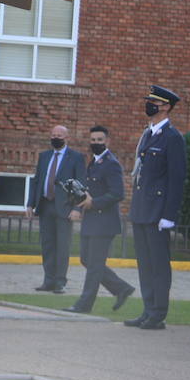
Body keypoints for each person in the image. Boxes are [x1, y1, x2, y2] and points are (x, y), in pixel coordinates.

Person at [125, 85, 186, 330]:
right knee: (145, 264)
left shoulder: (172, 137)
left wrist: (169, 215)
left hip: (158, 212)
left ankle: (158, 313)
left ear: (166, 107)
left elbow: (176, 178)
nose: (149, 104)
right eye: (149, 100)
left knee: (158, 266)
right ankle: (148, 309)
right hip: (142, 209)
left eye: (154, 101)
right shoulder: (148, 134)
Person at [67, 125, 134, 314]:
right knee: (86, 260)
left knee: (94, 265)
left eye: (100, 140)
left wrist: (94, 203)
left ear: (108, 142)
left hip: (104, 223)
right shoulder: (94, 162)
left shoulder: (111, 163)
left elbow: (117, 194)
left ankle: (83, 305)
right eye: (93, 140)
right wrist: (78, 205)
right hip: (91, 221)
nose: (95, 143)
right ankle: (121, 288)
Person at [26, 124, 85, 294]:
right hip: (45, 205)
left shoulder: (76, 157)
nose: (55, 137)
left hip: (65, 208)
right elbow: (37, 180)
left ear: (67, 138)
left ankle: (60, 282)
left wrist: (77, 209)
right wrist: (31, 203)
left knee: (62, 246)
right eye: (53, 134)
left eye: (59, 135)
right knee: (48, 245)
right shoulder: (44, 156)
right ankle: (48, 280)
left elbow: (80, 185)